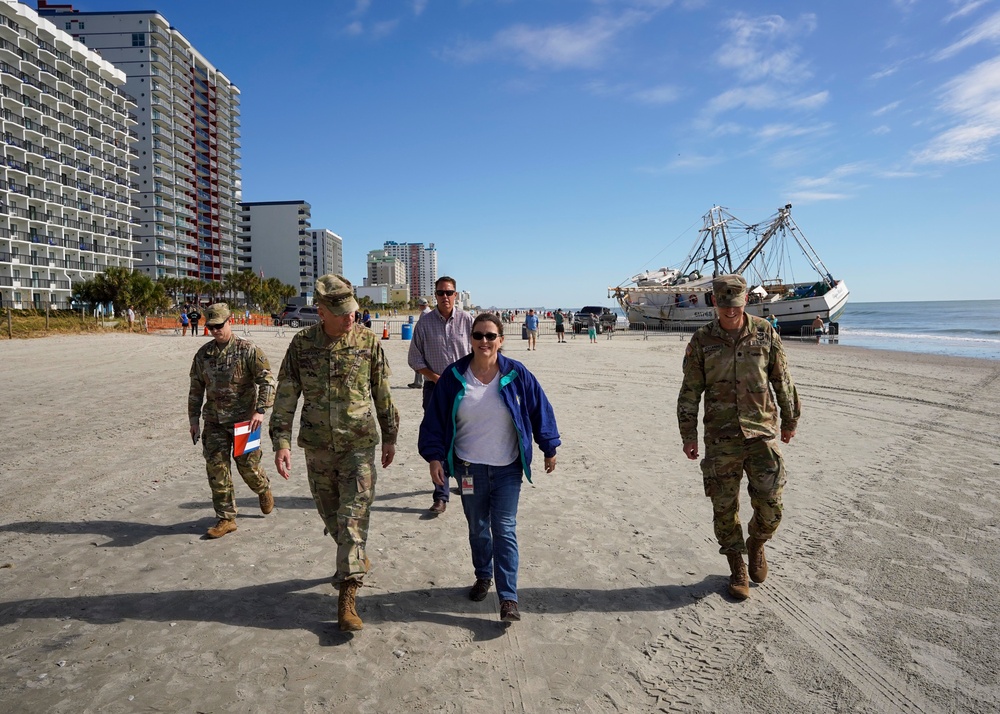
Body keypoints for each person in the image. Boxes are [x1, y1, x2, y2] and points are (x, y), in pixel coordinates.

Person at [270, 275, 399, 632]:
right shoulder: (301, 345)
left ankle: (347, 598)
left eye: (353, 311)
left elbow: (383, 393)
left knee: (352, 521)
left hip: (359, 445)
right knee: (332, 516)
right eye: (342, 313)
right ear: (321, 312)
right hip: (318, 446)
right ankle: (355, 556)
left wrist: (390, 436)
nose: (350, 318)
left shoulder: (368, 341)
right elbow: (285, 395)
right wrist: (280, 441)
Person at [418, 313, 560, 622]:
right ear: (470, 339)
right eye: (479, 336)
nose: (485, 341)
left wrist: (549, 447)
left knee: (505, 529)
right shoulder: (455, 376)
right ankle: (483, 574)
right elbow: (435, 421)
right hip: (469, 469)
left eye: (491, 336)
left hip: (508, 468)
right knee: (478, 529)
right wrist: (434, 458)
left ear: (501, 340)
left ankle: (508, 597)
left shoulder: (516, 374)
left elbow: (539, 409)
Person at [677, 274, 800, 601]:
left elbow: (782, 379)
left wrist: (790, 419)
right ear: (715, 302)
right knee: (723, 506)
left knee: (771, 502)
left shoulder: (764, 332)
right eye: (724, 305)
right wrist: (688, 434)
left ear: (745, 301)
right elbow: (690, 391)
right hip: (721, 438)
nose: (730, 312)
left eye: (736, 305)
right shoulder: (702, 341)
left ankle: (757, 543)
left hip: (761, 434)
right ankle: (736, 565)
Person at [188, 303, 276, 539]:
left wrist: (260, 410)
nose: (215, 331)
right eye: (211, 327)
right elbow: (196, 388)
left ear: (230, 321)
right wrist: (193, 418)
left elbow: (267, 381)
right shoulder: (203, 354)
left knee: (248, 467)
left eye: (219, 326)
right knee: (216, 467)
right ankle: (226, 518)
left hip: (245, 422)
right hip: (214, 421)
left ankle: (263, 488)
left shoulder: (248, 350)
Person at [408, 276, 474, 515]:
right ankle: (440, 495)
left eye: (449, 292)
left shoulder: (468, 321)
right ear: (435, 295)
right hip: (434, 390)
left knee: (465, 439)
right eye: (440, 293)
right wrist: (437, 378)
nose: (445, 297)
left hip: (465, 389)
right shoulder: (424, 324)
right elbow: (414, 359)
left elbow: (480, 352)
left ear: (456, 295)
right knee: (439, 440)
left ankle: (468, 489)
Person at [408, 297, 433, 389]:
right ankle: (418, 381)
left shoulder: (425, 314)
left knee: (419, 361)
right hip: (427, 340)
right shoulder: (429, 312)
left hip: (424, 340)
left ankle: (418, 382)